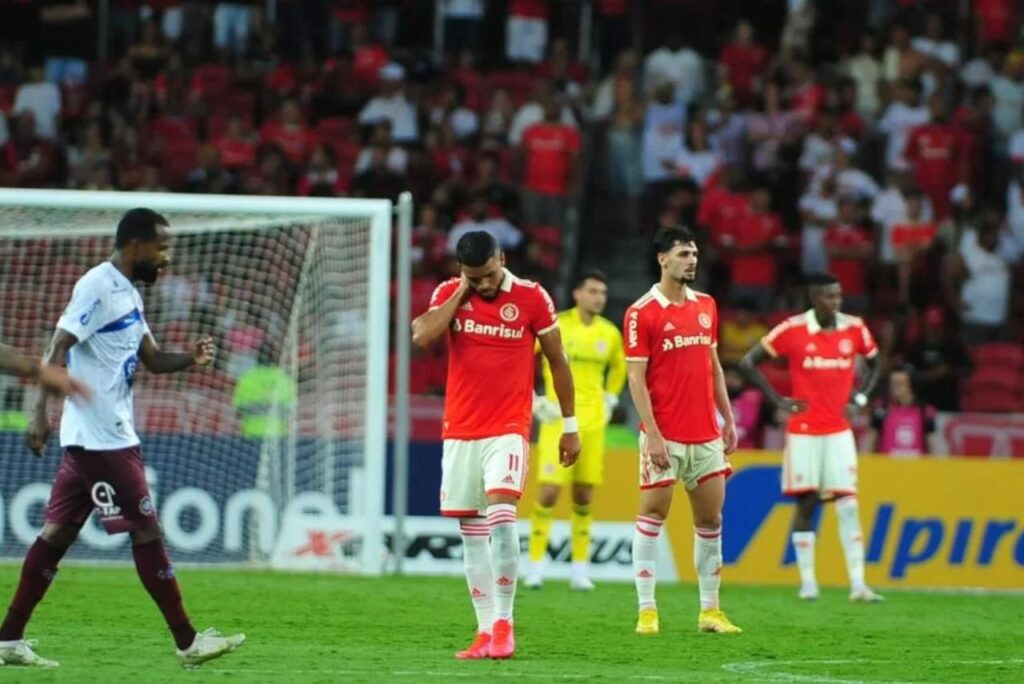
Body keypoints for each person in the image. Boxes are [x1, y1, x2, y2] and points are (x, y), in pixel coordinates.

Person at [0, 209, 245, 669]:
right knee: (146, 530)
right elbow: (58, 346)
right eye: (162, 248)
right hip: (103, 440)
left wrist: (189, 359)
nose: (166, 259)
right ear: (135, 245)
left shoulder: (130, 293)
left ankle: (7, 639)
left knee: (56, 536)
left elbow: (151, 359)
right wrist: (39, 413)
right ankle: (188, 641)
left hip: (96, 438)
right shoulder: (97, 285)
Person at [411, 230, 580, 660]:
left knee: (503, 518)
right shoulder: (451, 292)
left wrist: (569, 424)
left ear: (502, 258)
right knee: (471, 533)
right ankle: (484, 630)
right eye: (474, 276)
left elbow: (557, 360)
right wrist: (463, 290)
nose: (484, 284)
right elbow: (423, 336)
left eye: (488, 274)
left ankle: (505, 623)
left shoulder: (532, 297)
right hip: (460, 431)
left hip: (508, 426)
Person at [625, 226, 741, 636]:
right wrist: (653, 435)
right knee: (652, 514)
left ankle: (710, 611)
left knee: (710, 520)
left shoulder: (707, 305)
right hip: (665, 434)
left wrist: (728, 418)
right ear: (662, 259)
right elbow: (635, 380)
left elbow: (714, 368)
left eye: (694, 253)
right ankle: (647, 609)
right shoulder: (642, 312)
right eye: (683, 254)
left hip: (705, 434)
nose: (692, 260)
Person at [739, 272, 884, 603]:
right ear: (814, 298)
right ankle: (808, 583)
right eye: (829, 297)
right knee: (806, 503)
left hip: (838, 432)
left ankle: (859, 584)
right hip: (804, 431)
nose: (835, 302)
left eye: (838, 296)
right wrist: (777, 399)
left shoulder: (854, 327)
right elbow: (749, 362)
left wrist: (859, 399)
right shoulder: (792, 329)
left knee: (848, 505)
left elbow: (877, 363)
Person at [525, 269, 626, 591]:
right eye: (593, 291)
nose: (599, 298)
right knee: (549, 491)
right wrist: (532, 397)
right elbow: (523, 357)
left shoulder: (609, 333)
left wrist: (611, 396)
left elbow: (620, 367)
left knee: (583, 494)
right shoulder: (557, 325)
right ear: (577, 294)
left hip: (594, 421)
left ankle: (579, 569)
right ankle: (535, 566)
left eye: (603, 293)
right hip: (558, 418)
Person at [867, 365, 937, 457]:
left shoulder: (924, 409)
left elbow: (931, 443)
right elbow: (871, 440)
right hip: (887, 467)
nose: (895, 388)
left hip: (916, 467)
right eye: (892, 384)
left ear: (910, 385)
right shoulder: (881, 408)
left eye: (900, 383)